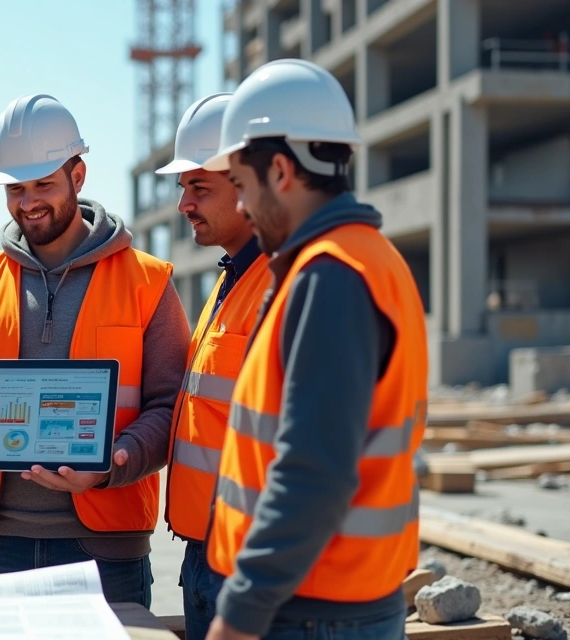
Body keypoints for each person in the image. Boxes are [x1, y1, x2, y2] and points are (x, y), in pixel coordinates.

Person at [0, 94, 190, 607]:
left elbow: (168, 407)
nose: (28, 202)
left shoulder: (147, 282)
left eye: (43, 184)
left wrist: (112, 463)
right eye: (15, 188)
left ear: (79, 175)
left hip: (105, 551)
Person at [197, 59, 428, 640]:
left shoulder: (331, 278)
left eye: (243, 187)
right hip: (335, 598)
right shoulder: (370, 260)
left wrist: (241, 613)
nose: (242, 208)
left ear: (280, 171)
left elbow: (313, 472)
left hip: (310, 608)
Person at [155, 93, 272, 640]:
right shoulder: (229, 282)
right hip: (204, 553)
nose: (185, 204)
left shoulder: (277, 286)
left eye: (200, 187)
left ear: (247, 185)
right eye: (183, 189)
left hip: (249, 563)